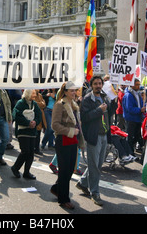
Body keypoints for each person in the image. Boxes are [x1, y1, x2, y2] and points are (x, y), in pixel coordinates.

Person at [50, 81, 85, 210]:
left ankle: (56, 188)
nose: (74, 92)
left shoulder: (74, 105)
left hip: (73, 141)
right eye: (71, 91)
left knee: (70, 170)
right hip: (63, 140)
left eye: (75, 90)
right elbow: (55, 125)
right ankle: (63, 199)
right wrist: (70, 131)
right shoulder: (60, 105)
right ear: (65, 92)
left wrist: (80, 140)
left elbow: (78, 125)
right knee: (64, 171)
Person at [76, 75, 109, 206]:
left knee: (98, 164)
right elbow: (85, 118)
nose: (98, 86)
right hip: (93, 136)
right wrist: (98, 110)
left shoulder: (105, 97)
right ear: (91, 85)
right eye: (95, 84)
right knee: (94, 166)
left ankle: (83, 182)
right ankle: (95, 193)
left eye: (100, 83)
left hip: (104, 135)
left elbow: (109, 116)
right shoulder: (87, 99)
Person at [11, 89, 42, 179]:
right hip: (22, 131)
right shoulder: (20, 103)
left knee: (31, 153)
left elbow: (38, 115)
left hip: (32, 132)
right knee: (25, 151)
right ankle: (15, 168)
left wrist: (35, 122)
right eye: (33, 93)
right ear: (28, 94)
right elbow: (16, 115)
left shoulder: (34, 104)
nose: (34, 95)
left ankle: (26, 172)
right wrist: (27, 123)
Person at [122, 79, 145, 155]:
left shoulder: (137, 93)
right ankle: (129, 152)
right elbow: (130, 108)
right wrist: (140, 110)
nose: (138, 86)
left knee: (137, 136)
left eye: (139, 84)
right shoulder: (128, 95)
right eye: (137, 84)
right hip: (131, 119)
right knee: (130, 136)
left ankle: (132, 150)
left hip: (137, 118)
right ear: (132, 85)